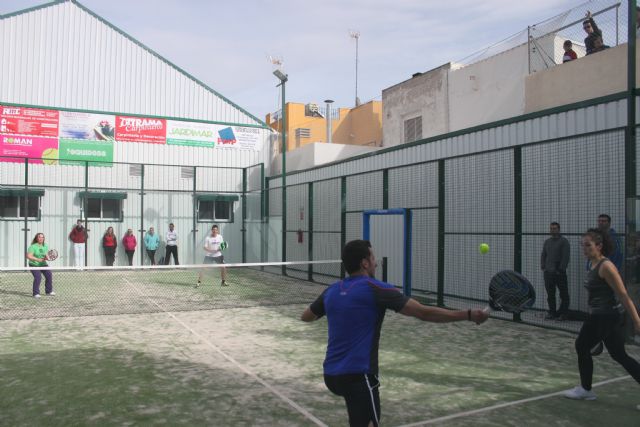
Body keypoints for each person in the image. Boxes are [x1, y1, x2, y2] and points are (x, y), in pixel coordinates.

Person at [301, 239, 489, 426]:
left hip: (331, 376)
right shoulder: (376, 288)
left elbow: (307, 316)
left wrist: (335, 309)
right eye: (373, 257)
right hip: (359, 376)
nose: (375, 262)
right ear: (365, 263)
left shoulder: (331, 291)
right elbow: (423, 312)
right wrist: (469, 314)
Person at [563, 229, 640, 404]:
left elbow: (623, 295)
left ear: (599, 246)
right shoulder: (591, 264)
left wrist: (637, 320)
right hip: (598, 316)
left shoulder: (606, 267)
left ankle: (586, 389)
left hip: (606, 316)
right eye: (583, 245)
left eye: (588, 245)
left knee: (582, 346)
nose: (584, 249)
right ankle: (586, 389)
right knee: (619, 355)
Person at [541, 222, 571, 320]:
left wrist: (561, 269)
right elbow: (544, 254)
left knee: (563, 294)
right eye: (551, 228)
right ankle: (552, 312)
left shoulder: (564, 241)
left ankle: (563, 313)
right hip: (548, 272)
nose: (552, 230)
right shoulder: (547, 242)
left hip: (559, 273)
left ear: (559, 229)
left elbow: (565, 257)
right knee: (550, 294)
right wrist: (543, 266)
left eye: (554, 228)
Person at [26, 232, 55, 298]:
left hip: (43, 264)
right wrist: (37, 259)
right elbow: (28, 256)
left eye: (42, 237)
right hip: (33, 264)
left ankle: (49, 291)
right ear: (37, 238)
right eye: (39, 237)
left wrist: (47, 257)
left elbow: (46, 255)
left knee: (49, 275)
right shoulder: (33, 247)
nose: (41, 238)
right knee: (38, 277)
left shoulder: (45, 245)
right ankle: (36, 293)